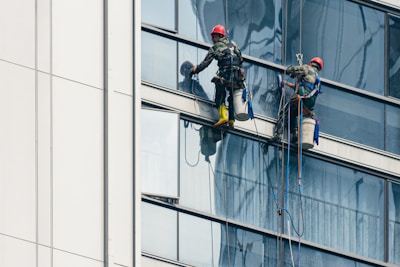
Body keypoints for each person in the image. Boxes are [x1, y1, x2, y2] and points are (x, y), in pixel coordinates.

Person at [191, 24, 245, 128]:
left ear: (217, 35)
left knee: (220, 93)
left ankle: (223, 116)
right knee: (232, 96)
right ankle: (231, 120)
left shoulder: (215, 47)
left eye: (213, 37)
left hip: (225, 74)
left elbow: (205, 63)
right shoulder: (234, 44)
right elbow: (241, 59)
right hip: (237, 76)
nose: (212, 40)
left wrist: (195, 70)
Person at [282, 57, 323, 142]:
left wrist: (289, 69)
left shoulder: (307, 68)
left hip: (303, 95)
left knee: (287, 111)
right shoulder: (317, 78)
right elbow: (302, 87)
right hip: (309, 102)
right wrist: (286, 83)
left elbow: (292, 70)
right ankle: (295, 133)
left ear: (311, 63)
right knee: (294, 112)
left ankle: (279, 133)